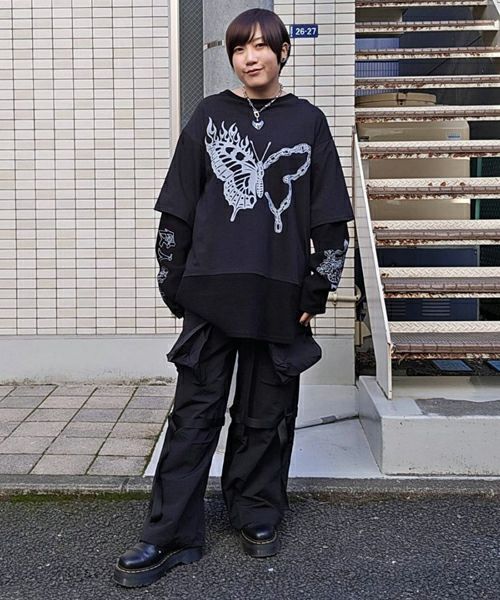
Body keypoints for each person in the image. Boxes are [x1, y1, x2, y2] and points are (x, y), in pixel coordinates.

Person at [113, 8, 354, 588]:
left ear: (282, 52)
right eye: (239, 48)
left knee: (266, 414)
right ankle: (169, 534)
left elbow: (329, 218)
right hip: (211, 292)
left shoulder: (308, 121)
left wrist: (318, 287)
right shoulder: (209, 114)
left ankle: (256, 513)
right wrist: (174, 281)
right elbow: (178, 205)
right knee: (194, 415)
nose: (250, 57)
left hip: (280, 294)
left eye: (261, 46)